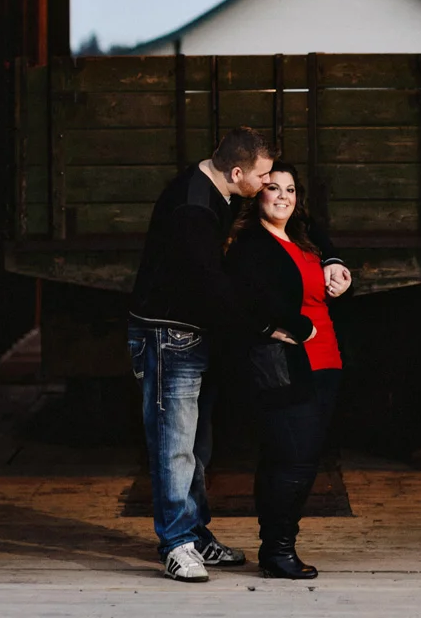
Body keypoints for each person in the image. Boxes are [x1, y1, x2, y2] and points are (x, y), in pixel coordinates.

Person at [127, 126, 313, 582]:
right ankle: (175, 543)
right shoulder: (194, 208)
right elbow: (212, 285)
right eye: (264, 177)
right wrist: (268, 325)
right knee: (174, 446)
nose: (267, 185)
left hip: (193, 334)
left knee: (196, 447)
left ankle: (195, 535)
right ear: (236, 172)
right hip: (168, 337)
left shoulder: (218, 193)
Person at [224, 160, 353, 580]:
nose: (282, 196)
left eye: (290, 190)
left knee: (300, 458)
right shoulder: (249, 243)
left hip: (325, 360)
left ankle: (276, 547)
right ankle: (278, 550)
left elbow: (316, 234)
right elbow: (244, 298)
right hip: (283, 363)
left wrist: (334, 263)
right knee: (291, 460)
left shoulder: (302, 236)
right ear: (256, 193)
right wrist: (291, 325)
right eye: (273, 188)